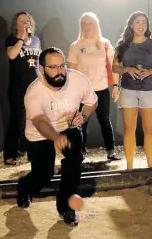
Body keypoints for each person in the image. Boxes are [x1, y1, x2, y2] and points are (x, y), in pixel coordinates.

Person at [17, 47, 97, 226]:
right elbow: (39, 121)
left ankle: (66, 207)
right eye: (53, 67)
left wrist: (83, 116)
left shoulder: (78, 79)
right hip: (40, 133)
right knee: (43, 176)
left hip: (68, 126)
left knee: (75, 160)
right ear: (42, 68)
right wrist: (55, 137)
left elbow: (92, 102)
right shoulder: (34, 92)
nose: (60, 71)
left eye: (62, 66)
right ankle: (23, 188)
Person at [112, 11, 152, 170]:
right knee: (129, 129)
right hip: (128, 90)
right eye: (137, 22)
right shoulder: (122, 45)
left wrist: (150, 71)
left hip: (150, 90)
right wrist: (127, 69)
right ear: (131, 25)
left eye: (144, 22)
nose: (141, 25)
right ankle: (129, 168)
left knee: (149, 129)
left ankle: (150, 167)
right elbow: (114, 67)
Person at [68, 12, 120, 160]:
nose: (87, 26)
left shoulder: (105, 43)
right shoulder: (75, 46)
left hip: (101, 89)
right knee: (81, 122)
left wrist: (116, 85)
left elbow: (114, 66)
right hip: (82, 92)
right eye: (84, 24)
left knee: (104, 120)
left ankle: (111, 151)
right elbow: (71, 71)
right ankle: (81, 152)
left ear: (96, 25)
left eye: (90, 23)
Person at [4, 11, 41, 165]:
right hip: (17, 86)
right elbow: (11, 55)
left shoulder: (36, 40)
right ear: (16, 24)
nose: (25, 23)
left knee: (34, 120)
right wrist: (20, 38)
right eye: (21, 21)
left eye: (28, 21)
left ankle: (30, 152)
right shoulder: (11, 39)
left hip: (34, 86)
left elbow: (38, 61)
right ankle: (10, 154)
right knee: (17, 120)